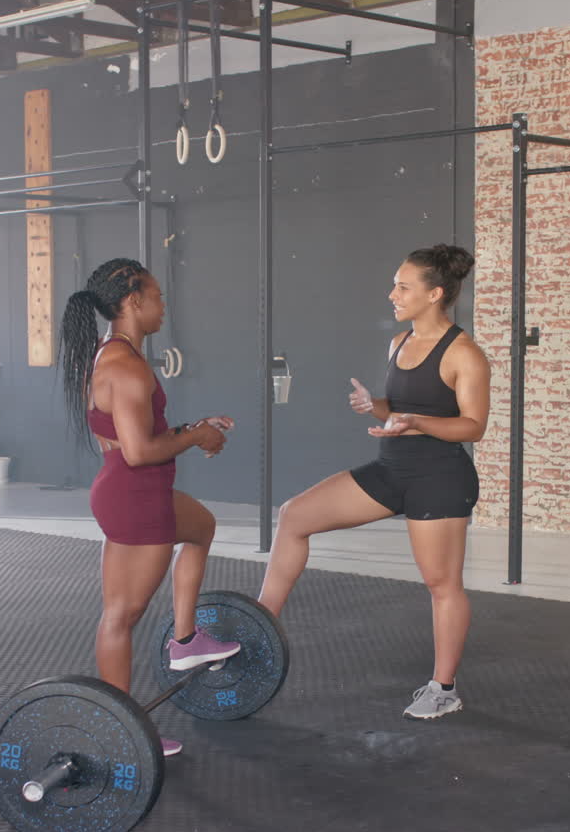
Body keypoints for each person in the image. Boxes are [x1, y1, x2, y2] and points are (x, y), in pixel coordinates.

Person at [258, 244, 490, 720]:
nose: (393, 294)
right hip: (390, 469)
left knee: (441, 583)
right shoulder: (399, 343)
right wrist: (377, 406)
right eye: (395, 284)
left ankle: (443, 688)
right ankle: (259, 629)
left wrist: (415, 422)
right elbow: (400, 409)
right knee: (294, 515)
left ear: (435, 294)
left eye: (404, 287)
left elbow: (473, 427)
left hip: (439, 478)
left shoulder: (465, 354)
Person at [58, 257, 241, 757]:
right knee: (120, 617)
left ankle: (185, 640)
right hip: (136, 498)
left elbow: (120, 439)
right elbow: (139, 453)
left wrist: (190, 428)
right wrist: (195, 435)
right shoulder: (128, 366)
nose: (164, 306)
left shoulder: (105, 354)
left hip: (123, 489)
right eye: (157, 296)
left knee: (202, 527)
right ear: (134, 301)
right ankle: (123, 733)